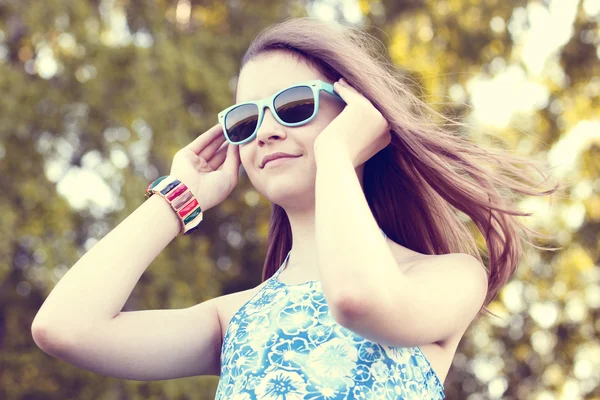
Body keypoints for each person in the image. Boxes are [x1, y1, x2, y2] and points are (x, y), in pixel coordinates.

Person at [31, 17, 560, 399]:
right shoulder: (233, 318)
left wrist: (335, 153)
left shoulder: (446, 277)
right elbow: (64, 328)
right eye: (245, 120)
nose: (266, 132)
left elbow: (357, 299)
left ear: (357, 113)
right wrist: (179, 195)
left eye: (293, 105)